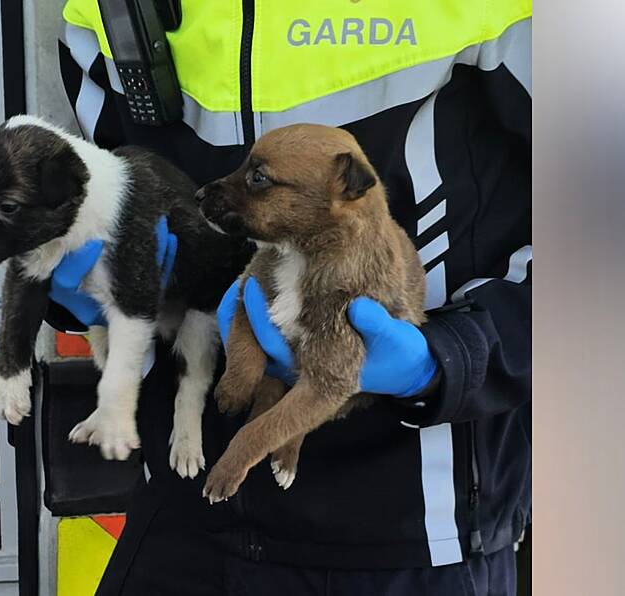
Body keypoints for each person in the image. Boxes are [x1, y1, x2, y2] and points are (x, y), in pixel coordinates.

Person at [49, 1, 532, 594]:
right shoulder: (98, 13)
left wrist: (456, 355)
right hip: (184, 513)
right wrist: (78, 276)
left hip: (409, 534)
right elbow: (111, 190)